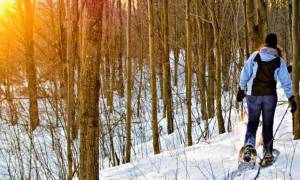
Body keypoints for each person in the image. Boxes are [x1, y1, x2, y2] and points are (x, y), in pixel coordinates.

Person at [237, 33, 297, 165]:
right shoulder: (279, 61)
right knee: (268, 125)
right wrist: (291, 98)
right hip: (270, 96)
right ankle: (268, 152)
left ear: (265, 43)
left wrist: (241, 89)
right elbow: (286, 81)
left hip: (254, 95)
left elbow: (245, 72)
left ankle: (248, 148)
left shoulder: (255, 56)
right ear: (276, 45)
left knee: (252, 123)